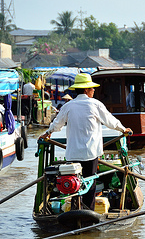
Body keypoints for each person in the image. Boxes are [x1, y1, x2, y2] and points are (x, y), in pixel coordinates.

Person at [39, 73, 132, 211]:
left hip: (73, 153)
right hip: (91, 152)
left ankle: (76, 209)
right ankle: (88, 211)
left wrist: (47, 133)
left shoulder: (69, 106)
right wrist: (124, 129)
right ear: (86, 90)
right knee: (90, 182)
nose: (94, 91)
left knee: (74, 183)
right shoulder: (95, 104)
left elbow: (56, 125)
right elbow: (111, 122)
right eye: (92, 88)